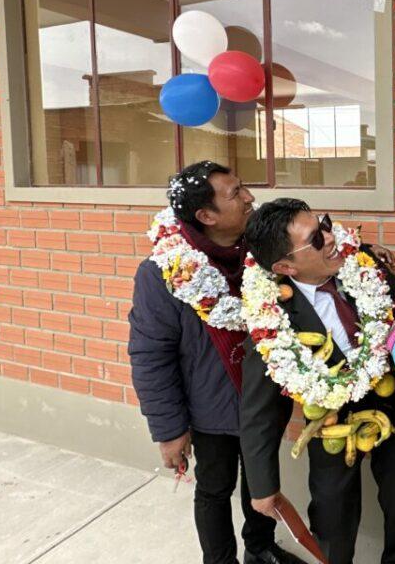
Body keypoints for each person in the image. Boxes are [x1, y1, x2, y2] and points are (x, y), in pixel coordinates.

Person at [128, 161, 307, 564]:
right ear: (206, 216)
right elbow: (150, 356)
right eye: (235, 194)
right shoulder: (165, 272)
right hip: (211, 409)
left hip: (262, 399)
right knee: (215, 487)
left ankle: (259, 548)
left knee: (260, 480)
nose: (249, 198)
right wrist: (170, 429)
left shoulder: (259, 249)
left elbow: (310, 254)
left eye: (244, 188)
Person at [241, 198, 395, 564]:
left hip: (392, 403)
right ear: (284, 266)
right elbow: (257, 408)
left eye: (324, 223)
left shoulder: (362, 266)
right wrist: (262, 488)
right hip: (330, 422)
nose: (330, 237)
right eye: (315, 238)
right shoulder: (272, 320)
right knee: (332, 514)